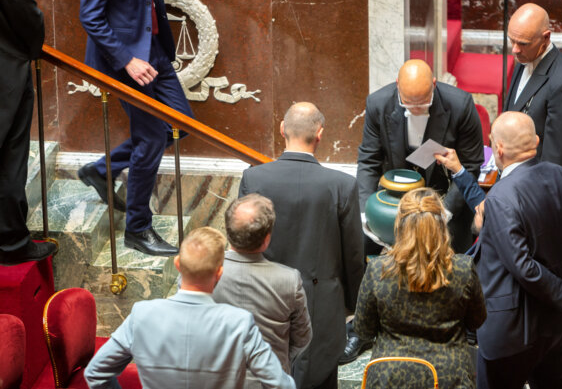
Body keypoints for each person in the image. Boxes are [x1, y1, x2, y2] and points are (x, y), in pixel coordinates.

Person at [475, 112, 562, 389]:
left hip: (512, 331)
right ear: (535, 140)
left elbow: (521, 264)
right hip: (560, 327)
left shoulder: (500, 196)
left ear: (498, 149)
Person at [239, 102, 364, 389]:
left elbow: (243, 245)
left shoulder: (254, 178)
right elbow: (354, 255)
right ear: (320, 134)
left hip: (264, 300)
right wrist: (349, 304)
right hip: (322, 306)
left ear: (282, 129)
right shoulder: (342, 185)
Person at [78, 0, 194, 257]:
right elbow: (90, 14)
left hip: (154, 50)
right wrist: (127, 59)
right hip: (125, 61)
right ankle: (138, 228)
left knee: (181, 124)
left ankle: (103, 170)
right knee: (152, 136)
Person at [84, 227, 295, 388]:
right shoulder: (239, 322)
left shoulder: (142, 314)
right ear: (219, 273)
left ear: (177, 264)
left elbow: (95, 371)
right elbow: (281, 384)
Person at [354, 187, 486, 389]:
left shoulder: (378, 270)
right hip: (449, 377)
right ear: (442, 225)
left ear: (399, 224)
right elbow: (477, 321)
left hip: (389, 377)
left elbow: (363, 330)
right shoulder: (463, 268)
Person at [357, 59, 484, 256]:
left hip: (446, 198)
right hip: (396, 198)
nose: (416, 109)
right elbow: (369, 161)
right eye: (408, 103)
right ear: (398, 84)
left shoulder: (461, 105)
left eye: (423, 103)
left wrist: (444, 213)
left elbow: (471, 164)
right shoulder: (378, 104)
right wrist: (366, 212)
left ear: (434, 84)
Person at [213, 193, 312, 387]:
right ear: (266, 240)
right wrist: (278, 360)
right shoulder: (289, 280)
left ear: (227, 231)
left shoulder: (202, 272)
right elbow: (302, 339)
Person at [0, 0, 57, 265]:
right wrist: (31, 50)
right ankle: (11, 242)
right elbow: (28, 18)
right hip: (5, 76)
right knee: (10, 157)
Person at [503, 3, 562, 169]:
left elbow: (556, 159)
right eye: (512, 41)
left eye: (523, 43)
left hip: (534, 187)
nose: (515, 50)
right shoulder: (524, 57)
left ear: (546, 38)